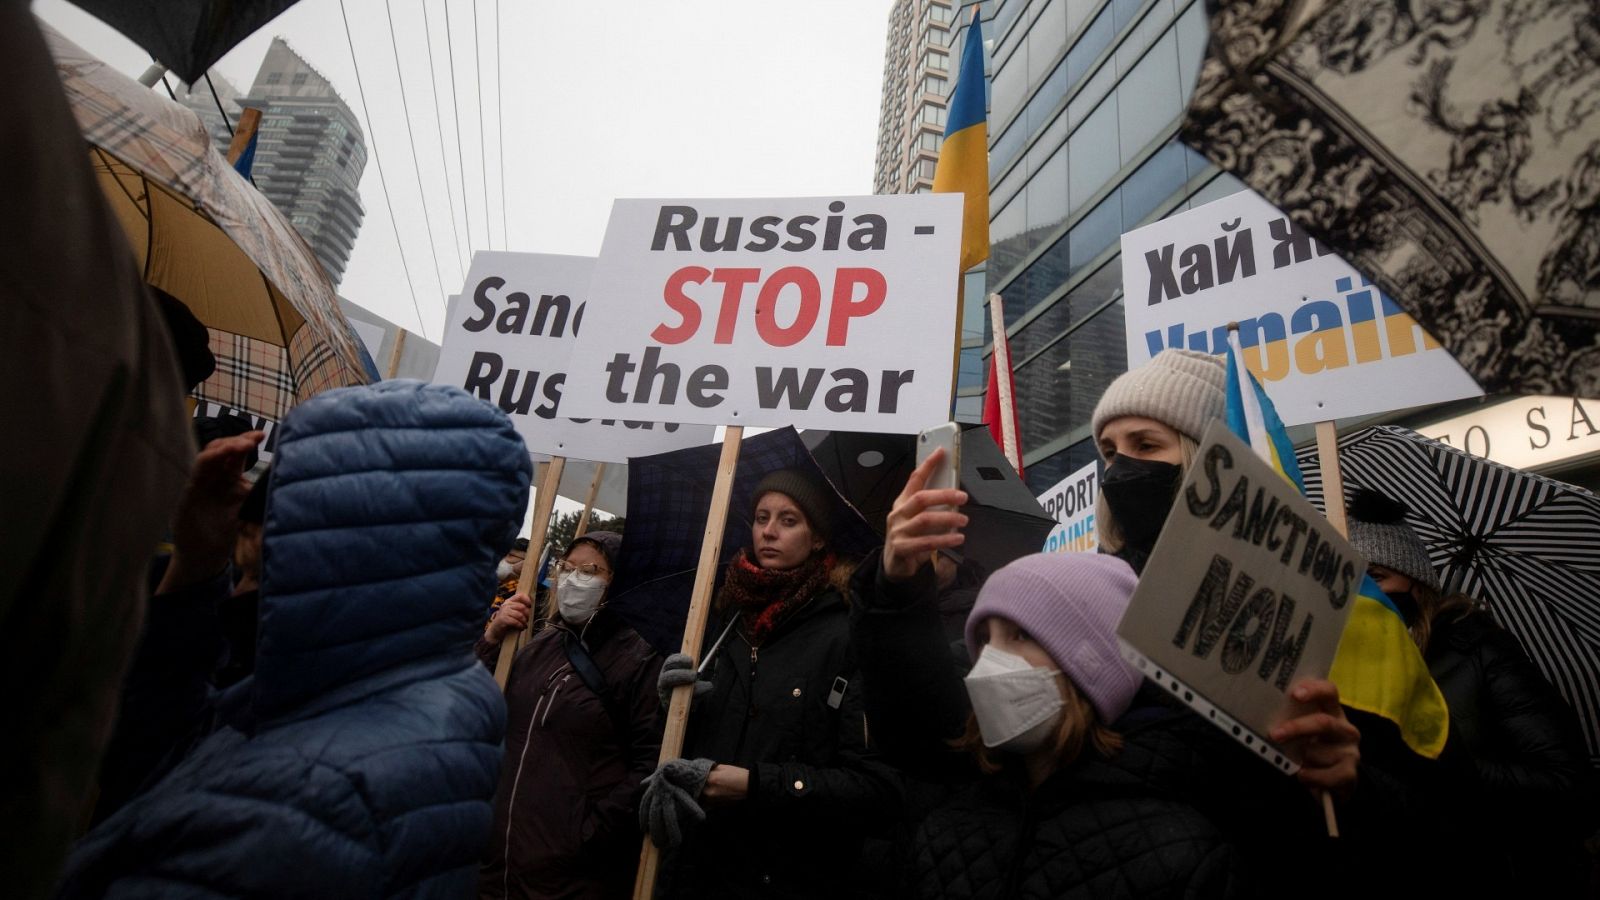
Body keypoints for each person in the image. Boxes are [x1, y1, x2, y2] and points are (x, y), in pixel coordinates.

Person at [57, 381, 531, 898]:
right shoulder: (388, 681)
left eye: (284, 508)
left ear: (336, 536)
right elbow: (160, 764)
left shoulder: (310, 796)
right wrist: (196, 568)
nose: (257, 528)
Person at [904, 552, 1249, 898]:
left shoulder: (1182, 859)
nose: (987, 663)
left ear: (1092, 664)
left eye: (1021, 634)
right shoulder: (944, 833)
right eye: (983, 639)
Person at [640, 469, 901, 898]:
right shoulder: (724, 621)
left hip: (789, 875)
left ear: (818, 539)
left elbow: (875, 790)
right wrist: (673, 711)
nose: (769, 531)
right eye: (761, 518)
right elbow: (684, 750)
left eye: (788, 520)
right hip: (699, 868)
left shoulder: (848, 635)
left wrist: (757, 786)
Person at [1348, 487, 1596, 894]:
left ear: (1417, 583)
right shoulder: (1350, 676)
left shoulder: (1478, 649)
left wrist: (1433, 759)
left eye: (1375, 577)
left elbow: (1567, 786)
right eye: (1351, 581)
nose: (1365, 596)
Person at [479, 530, 664, 900]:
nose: (572, 578)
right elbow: (479, 703)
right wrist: (491, 640)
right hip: (500, 862)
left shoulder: (640, 659)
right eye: (567, 567)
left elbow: (651, 762)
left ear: (617, 582)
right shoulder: (541, 642)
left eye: (590, 570)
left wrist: (589, 835)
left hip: (571, 877)